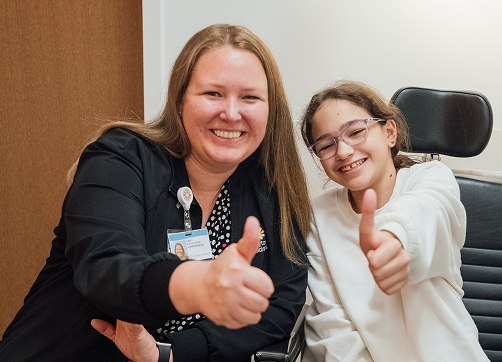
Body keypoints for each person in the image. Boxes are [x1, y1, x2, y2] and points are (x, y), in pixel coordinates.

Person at [0, 24, 311, 362]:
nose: (232, 113)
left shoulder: (268, 188)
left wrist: (171, 353)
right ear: (180, 101)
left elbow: (282, 304)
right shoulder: (121, 157)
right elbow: (107, 267)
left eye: (250, 97)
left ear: (270, 109)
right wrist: (197, 285)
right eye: (213, 94)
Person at [300, 81, 489, 361]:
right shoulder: (318, 215)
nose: (343, 152)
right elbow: (332, 328)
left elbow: (427, 210)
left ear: (389, 132)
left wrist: (396, 237)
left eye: (355, 132)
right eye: (326, 145)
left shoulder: (432, 177)